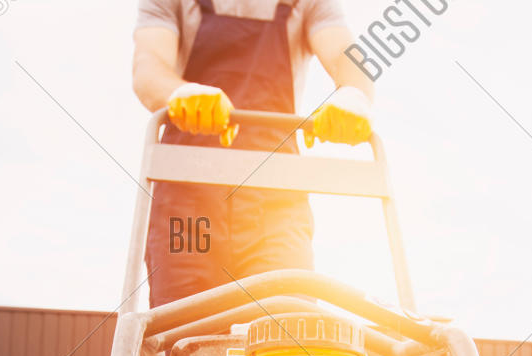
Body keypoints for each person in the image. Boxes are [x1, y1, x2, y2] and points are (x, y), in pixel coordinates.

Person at [132, 0, 375, 307]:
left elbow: (344, 56)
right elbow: (149, 66)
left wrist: (352, 93)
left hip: (275, 202)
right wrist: (178, 91)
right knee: (181, 329)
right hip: (189, 206)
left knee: (286, 325)